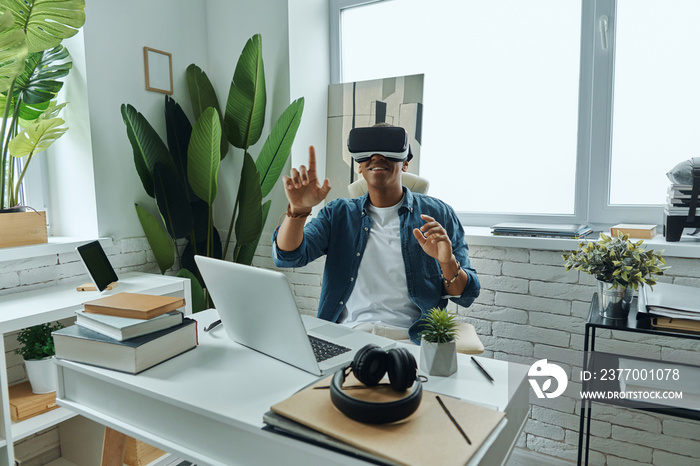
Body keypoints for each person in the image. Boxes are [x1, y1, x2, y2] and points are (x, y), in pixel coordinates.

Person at [272, 125, 479, 344]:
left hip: (411, 339)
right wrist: (298, 211)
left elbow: (466, 294)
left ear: (405, 163)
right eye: (368, 151)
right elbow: (289, 257)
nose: (377, 157)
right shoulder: (338, 214)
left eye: (387, 150)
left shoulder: (438, 214)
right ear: (359, 166)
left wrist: (447, 262)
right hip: (346, 335)